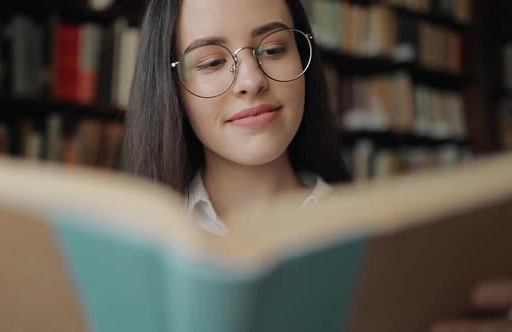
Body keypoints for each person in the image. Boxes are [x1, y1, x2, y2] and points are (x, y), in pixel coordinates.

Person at [124, 0, 512, 330]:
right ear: (171, 87)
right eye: (211, 62)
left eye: (274, 49)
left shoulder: (382, 240)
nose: (251, 80)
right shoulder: (140, 253)